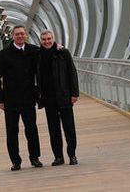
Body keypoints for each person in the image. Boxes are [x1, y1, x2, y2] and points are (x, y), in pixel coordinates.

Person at [0, 25, 43, 171]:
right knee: (12, 131)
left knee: (31, 129)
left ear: (25, 34)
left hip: (28, 98)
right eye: (17, 34)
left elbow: (48, 52)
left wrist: (60, 47)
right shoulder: (3, 55)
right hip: (10, 100)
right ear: (12, 36)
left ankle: (35, 158)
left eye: (22, 34)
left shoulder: (34, 51)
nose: (20, 36)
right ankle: (16, 161)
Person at [37, 30, 79, 166]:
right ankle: (58, 157)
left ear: (53, 39)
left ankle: (72, 155)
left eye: (49, 39)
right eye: (44, 39)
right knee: (53, 129)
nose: (46, 41)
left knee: (69, 128)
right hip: (48, 99)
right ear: (40, 41)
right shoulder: (38, 55)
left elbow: (72, 73)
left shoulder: (63, 52)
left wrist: (74, 93)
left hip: (64, 96)